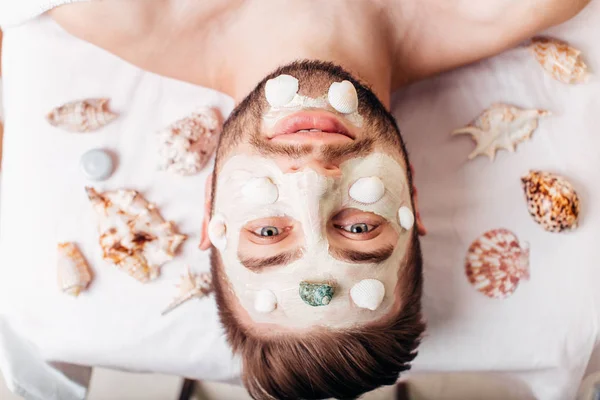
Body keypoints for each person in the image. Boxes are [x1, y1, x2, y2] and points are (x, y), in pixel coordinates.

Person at [44, 1, 589, 399]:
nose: (310, 177)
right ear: (413, 197)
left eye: (268, 232)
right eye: (356, 228)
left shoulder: (103, 10)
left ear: (212, 203)